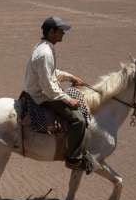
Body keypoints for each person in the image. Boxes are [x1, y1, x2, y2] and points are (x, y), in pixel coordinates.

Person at [23, 16, 94, 173]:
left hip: (44, 90)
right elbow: (48, 87)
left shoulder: (44, 47)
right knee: (79, 120)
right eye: (61, 31)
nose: (63, 34)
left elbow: (52, 73)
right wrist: (69, 100)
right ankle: (73, 158)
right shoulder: (45, 54)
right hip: (41, 96)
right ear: (51, 32)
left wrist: (71, 77)